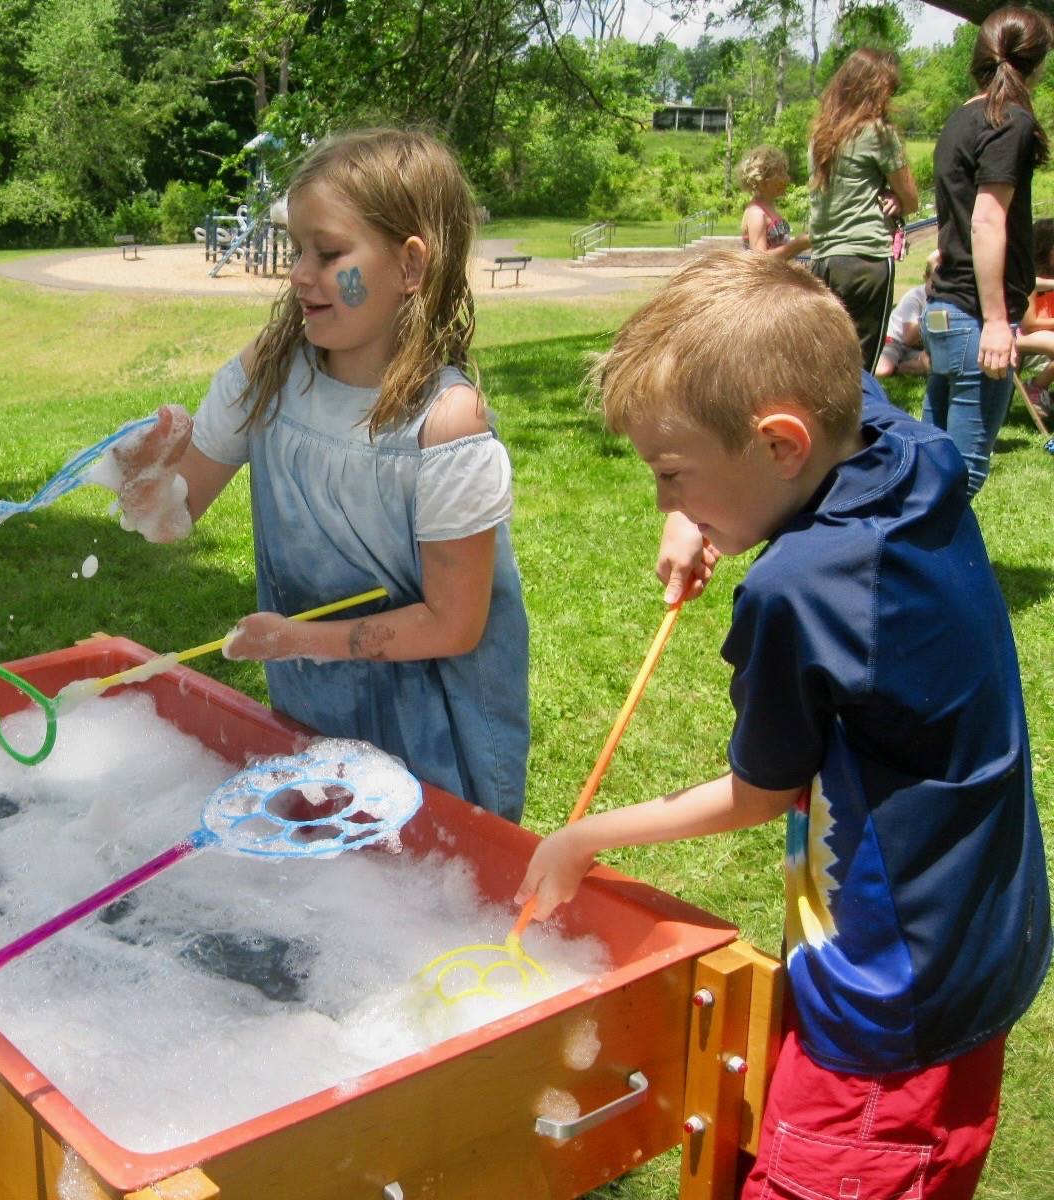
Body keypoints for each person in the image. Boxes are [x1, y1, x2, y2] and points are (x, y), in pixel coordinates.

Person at [516, 251, 1049, 1200]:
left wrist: (585, 837)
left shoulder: (798, 590)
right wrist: (697, 510)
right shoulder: (908, 452)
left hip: (885, 1009)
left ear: (780, 445)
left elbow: (761, 792)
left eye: (672, 475)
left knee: (830, 1174)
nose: (664, 503)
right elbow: (831, 379)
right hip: (981, 936)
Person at [111, 128, 529, 820]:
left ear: (410, 265)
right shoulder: (268, 374)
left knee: (422, 894)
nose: (300, 273)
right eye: (297, 248)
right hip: (313, 715)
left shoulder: (447, 424)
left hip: (435, 736)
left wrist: (298, 641)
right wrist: (142, 485)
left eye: (329, 253)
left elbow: (454, 625)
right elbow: (173, 515)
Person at [925, 6, 1051, 495]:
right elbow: (986, 218)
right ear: (1037, 64)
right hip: (974, 318)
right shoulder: (1010, 121)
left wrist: (944, 255)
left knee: (933, 467)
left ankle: (904, 565)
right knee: (961, 474)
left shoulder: (961, 118)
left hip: (945, 311)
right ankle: (915, 568)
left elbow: (957, 210)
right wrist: (998, 321)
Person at [807, 48, 919, 371]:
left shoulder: (820, 136)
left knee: (826, 364)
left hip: (825, 259)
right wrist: (894, 196)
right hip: (866, 258)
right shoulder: (877, 133)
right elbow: (911, 198)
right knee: (860, 370)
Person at [873, 248, 939, 378]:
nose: (939, 287)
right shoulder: (915, 297)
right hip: (895, 342)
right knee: (883, 370)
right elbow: (909, 338)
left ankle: (906, 365)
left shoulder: (945, 299)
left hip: (919, 348)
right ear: (925, 278)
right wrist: (934, 312)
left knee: (936, 364)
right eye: (935, 282)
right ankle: (899, 365)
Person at [737, 145, 811, 258]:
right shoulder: (756, 213)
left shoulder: (769, 209)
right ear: (763, 181)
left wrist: (801, 242)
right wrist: (796, 245)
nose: (788, 179)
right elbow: (760, 260)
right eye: (782, 174)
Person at [1013, 217, 1054, 419]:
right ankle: (1036, 388)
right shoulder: (1031, 277)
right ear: (1046, 248)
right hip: (1020, 333)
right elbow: (1029, 324)